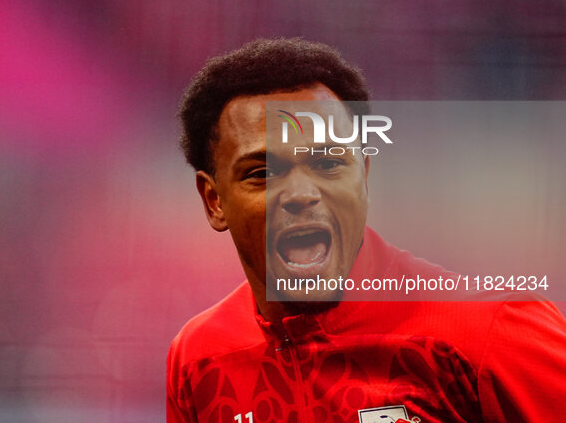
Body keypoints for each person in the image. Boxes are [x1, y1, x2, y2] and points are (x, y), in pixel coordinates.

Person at [167, 38, 566, 423]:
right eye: (263, 173)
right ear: (214, 200)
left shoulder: (490, 331)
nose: (302, 194)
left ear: (363, 176)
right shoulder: (199, 360)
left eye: (328, 163)